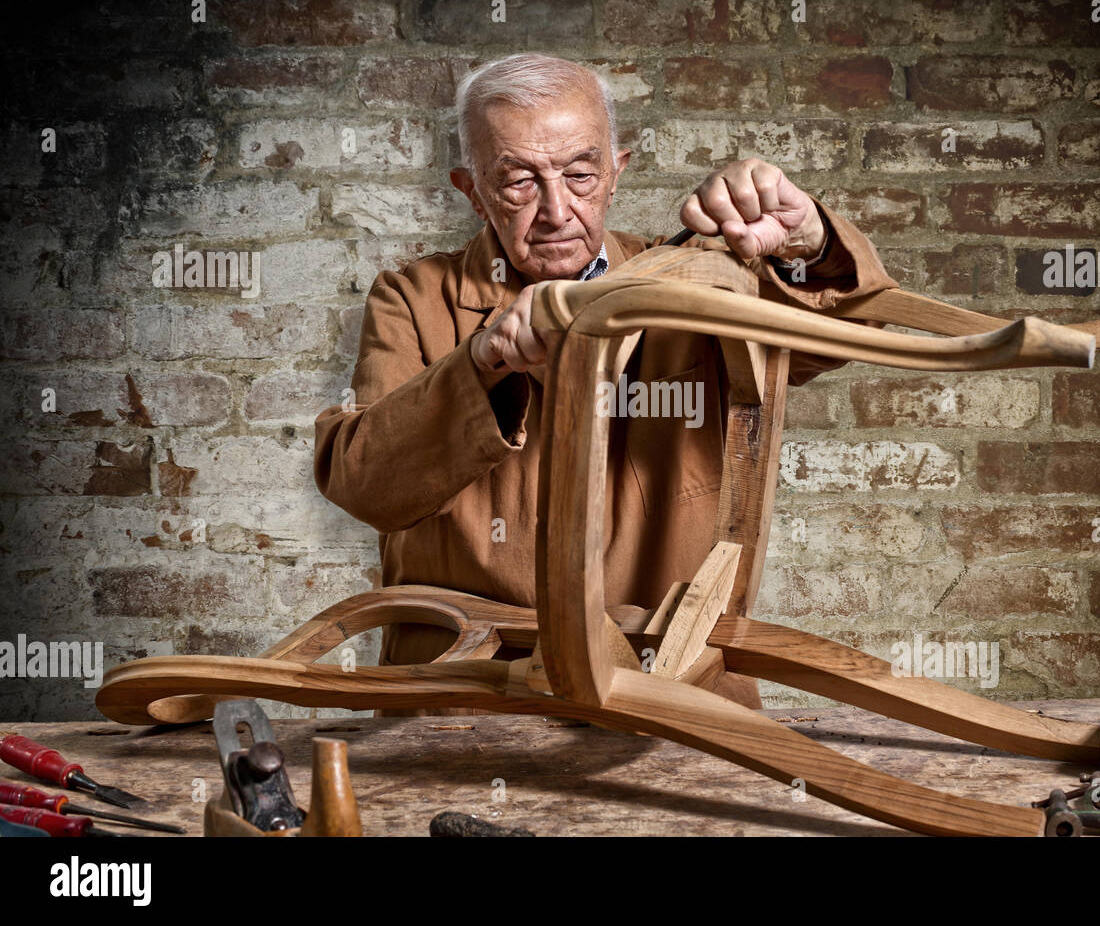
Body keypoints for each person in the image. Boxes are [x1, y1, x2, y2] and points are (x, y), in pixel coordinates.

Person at [313, 54, 897, 711]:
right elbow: (365, 483)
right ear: (471, 190)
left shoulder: (693, 280)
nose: (557, 210)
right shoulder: (414, 298)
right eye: (518, 182)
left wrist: (808, 243)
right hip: (464, 698)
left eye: (580, 174)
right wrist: (483, 363)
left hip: (674, 692)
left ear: (616, 172)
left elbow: (850, 327)